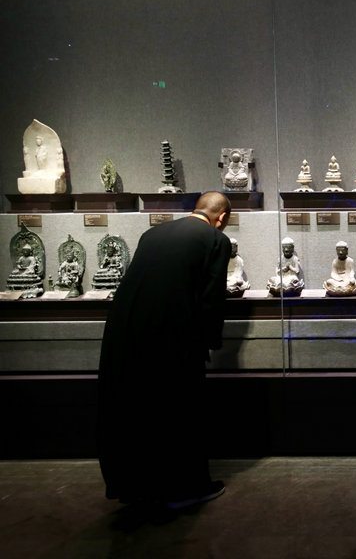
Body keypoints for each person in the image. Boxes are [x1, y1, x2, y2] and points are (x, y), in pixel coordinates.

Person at [98, 191, 232, 509]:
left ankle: (133, 486)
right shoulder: (216, 240)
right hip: (172, 332)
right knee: (179, 409)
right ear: (222, 218)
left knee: (133, 409)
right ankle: (186, 489)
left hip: (124, 327)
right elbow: (211, 297)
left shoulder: (152, 234)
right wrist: (209, 341)